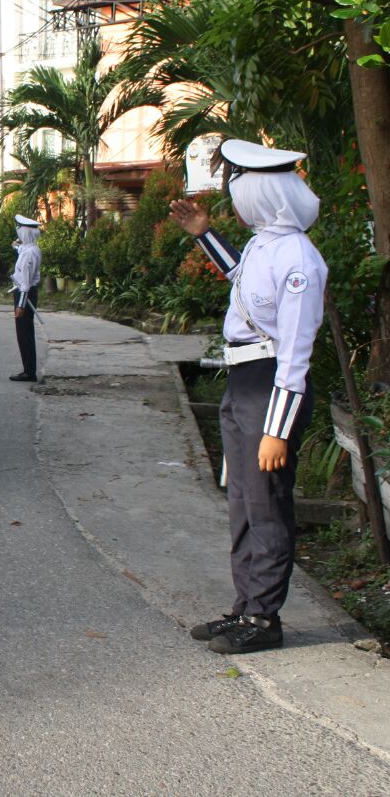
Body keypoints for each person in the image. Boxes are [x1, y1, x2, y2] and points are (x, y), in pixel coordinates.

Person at [169, 139, 327, 655]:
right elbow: (243, 279)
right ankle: (245, 606)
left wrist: (277, 429)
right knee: (241, 500)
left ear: (264, 191)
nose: (235, 193)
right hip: (244, 380)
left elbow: (296, 353)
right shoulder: (266, 243)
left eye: (241, 184)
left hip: (271, 384)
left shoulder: (300, 258)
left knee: (266, 504)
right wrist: (204, 235)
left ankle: (264, 619)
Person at [10, 214, 42, 382]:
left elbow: (26, 283)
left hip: (25, 294)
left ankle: (29, 372)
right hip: (27, 292)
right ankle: (28, 369)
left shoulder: (29, 254)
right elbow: (21, 250)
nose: (18, 232)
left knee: (24, 334)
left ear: (26, 232)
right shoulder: (31, 249)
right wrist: (16, 247)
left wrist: (21, 305)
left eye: (20, 229)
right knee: (25, 333)